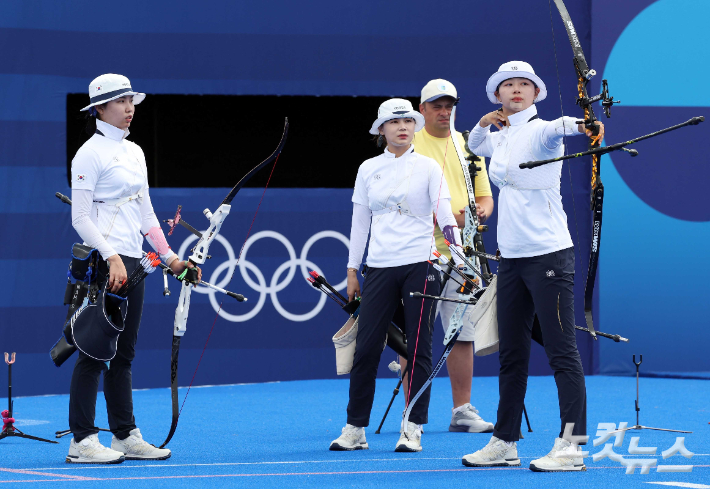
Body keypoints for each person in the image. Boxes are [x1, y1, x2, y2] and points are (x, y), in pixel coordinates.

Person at [461, 61, 603, 472]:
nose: (517, 89)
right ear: (497, 94)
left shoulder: (542, 130)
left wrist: (588, 126)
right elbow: (475, 144)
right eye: (509, 84)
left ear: (536, 93)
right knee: (512, 354)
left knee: (561, 352)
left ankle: (573, 446)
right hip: (512, 259)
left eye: (525, 84)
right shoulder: (498, 137)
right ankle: (505, 440)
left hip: (549, 254)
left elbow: (566, 126)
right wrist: (485, 123)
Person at [67, 73, 201, 464]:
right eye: (120, 102)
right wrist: (110, 257)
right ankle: (82, 441)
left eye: (131, 101)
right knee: (94, 352)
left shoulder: (135, 151)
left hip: (135, 262)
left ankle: (124, 435)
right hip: (105, 262)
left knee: (124, 354)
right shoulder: (88, 154)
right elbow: (80, 218)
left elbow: (147, 214)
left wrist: (171, 257)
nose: (129, 109)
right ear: (99, 109)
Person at [330, 98, 464, 453]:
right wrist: (351, 269)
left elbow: (446, 216)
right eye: (394, 122)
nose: (402, 127)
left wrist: (461, 257)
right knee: (367, 348)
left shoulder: (429, 167)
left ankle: (413, 426)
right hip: (378, 268)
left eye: (408, 121)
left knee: (419, 347)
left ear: (415, 127)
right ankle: (355, 428)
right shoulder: (367, 168)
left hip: (421, 265)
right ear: (382, 130)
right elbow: (360, 223)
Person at [399, 79, 495, 433]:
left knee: (462, 333)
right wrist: (447, 216)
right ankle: (413, 413)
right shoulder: (409, 143)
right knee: (415, 334)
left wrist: (479, 212)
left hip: (463, 254)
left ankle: (462, 411)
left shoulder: (469, 145)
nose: (444, 112)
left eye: (449, 105)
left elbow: (484, 196)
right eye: (436, 106)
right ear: (422, 110)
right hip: (419, 250)